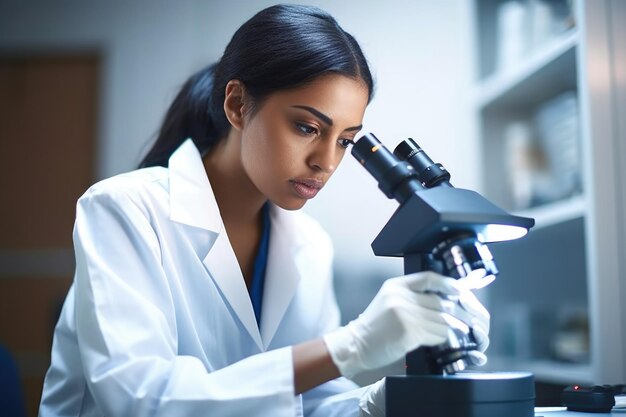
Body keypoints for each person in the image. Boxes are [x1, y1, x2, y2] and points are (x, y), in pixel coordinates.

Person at [39, 4, 490, 417]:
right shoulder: (126, 209)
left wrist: (398, 394)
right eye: (306, 127)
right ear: (237, 104)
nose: (326, 162)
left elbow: (310, 405)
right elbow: (141, 399)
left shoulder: (308, 244)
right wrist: (348, 347)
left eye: (346, 141)